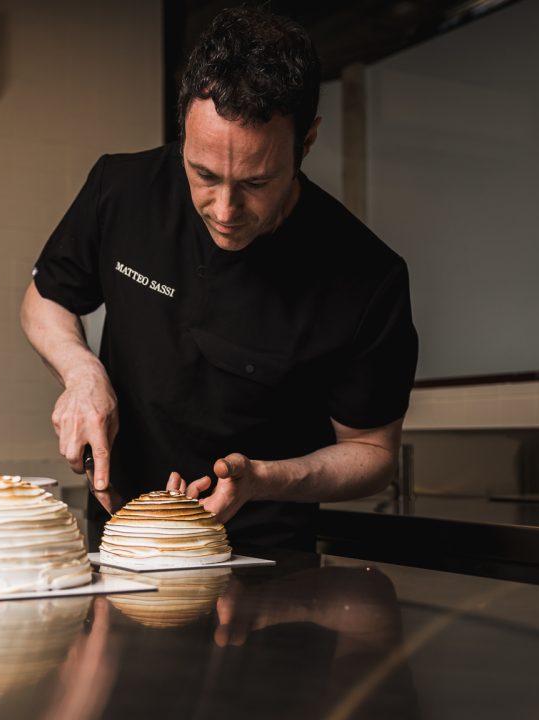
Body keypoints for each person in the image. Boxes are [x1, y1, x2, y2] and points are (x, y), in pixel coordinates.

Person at [20, 7, 418, 548]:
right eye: (204, 175)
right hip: (120, 532)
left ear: (306, 143)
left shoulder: (368, 276)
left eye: (258, 182)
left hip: (266, 564)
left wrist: (263, 479)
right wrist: (82, 374)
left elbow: (373, 454)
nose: (225, 209)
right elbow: (45, 299)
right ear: (183, 123)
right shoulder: (122, 188)